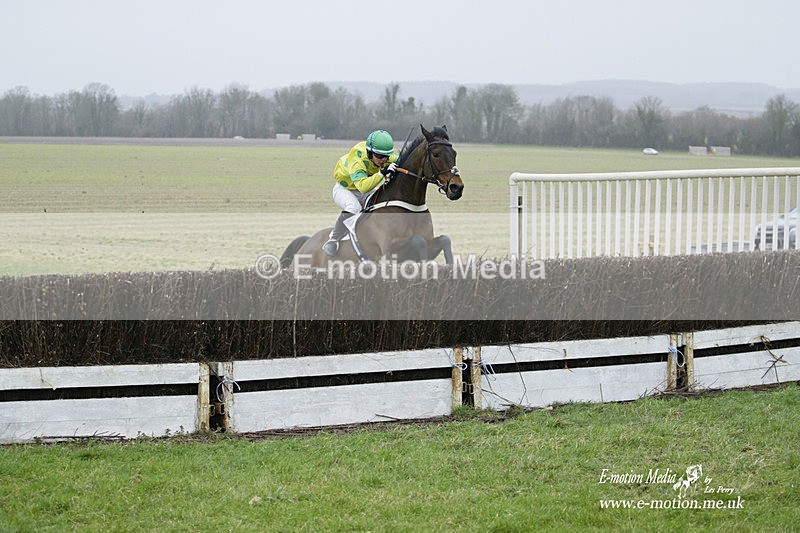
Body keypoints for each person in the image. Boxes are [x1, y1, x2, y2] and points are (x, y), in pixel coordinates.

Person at [322, 129, 398, 256]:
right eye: (379, 156)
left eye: (386, 156)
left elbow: (400, 160)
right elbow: (363, 187)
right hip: (345, 189)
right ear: (369, 153)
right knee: (354, 207)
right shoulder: (357, 160)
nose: (383, 160)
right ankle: (333, 239)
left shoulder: (382, 155)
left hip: (363, 187)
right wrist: (382, 173)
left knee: (382, 199)